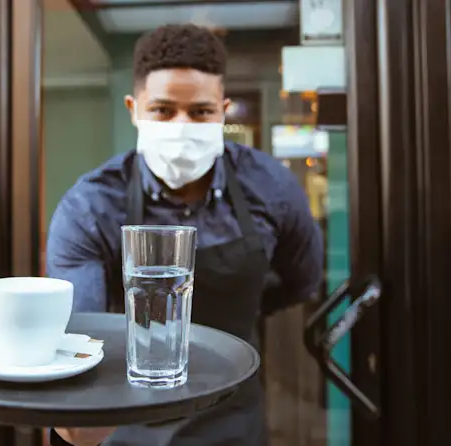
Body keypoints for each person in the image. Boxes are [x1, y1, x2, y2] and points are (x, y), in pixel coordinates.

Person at [46, 24, 324, 446]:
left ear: (223, 109)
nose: (181, 126)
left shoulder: (272, 188)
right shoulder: (90, 207)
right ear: (133, 108)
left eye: (200, 112)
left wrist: (241, 303)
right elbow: (79, 334)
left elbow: (301, 281)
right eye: (162, 110)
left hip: (235, 420)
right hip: (128, 422)